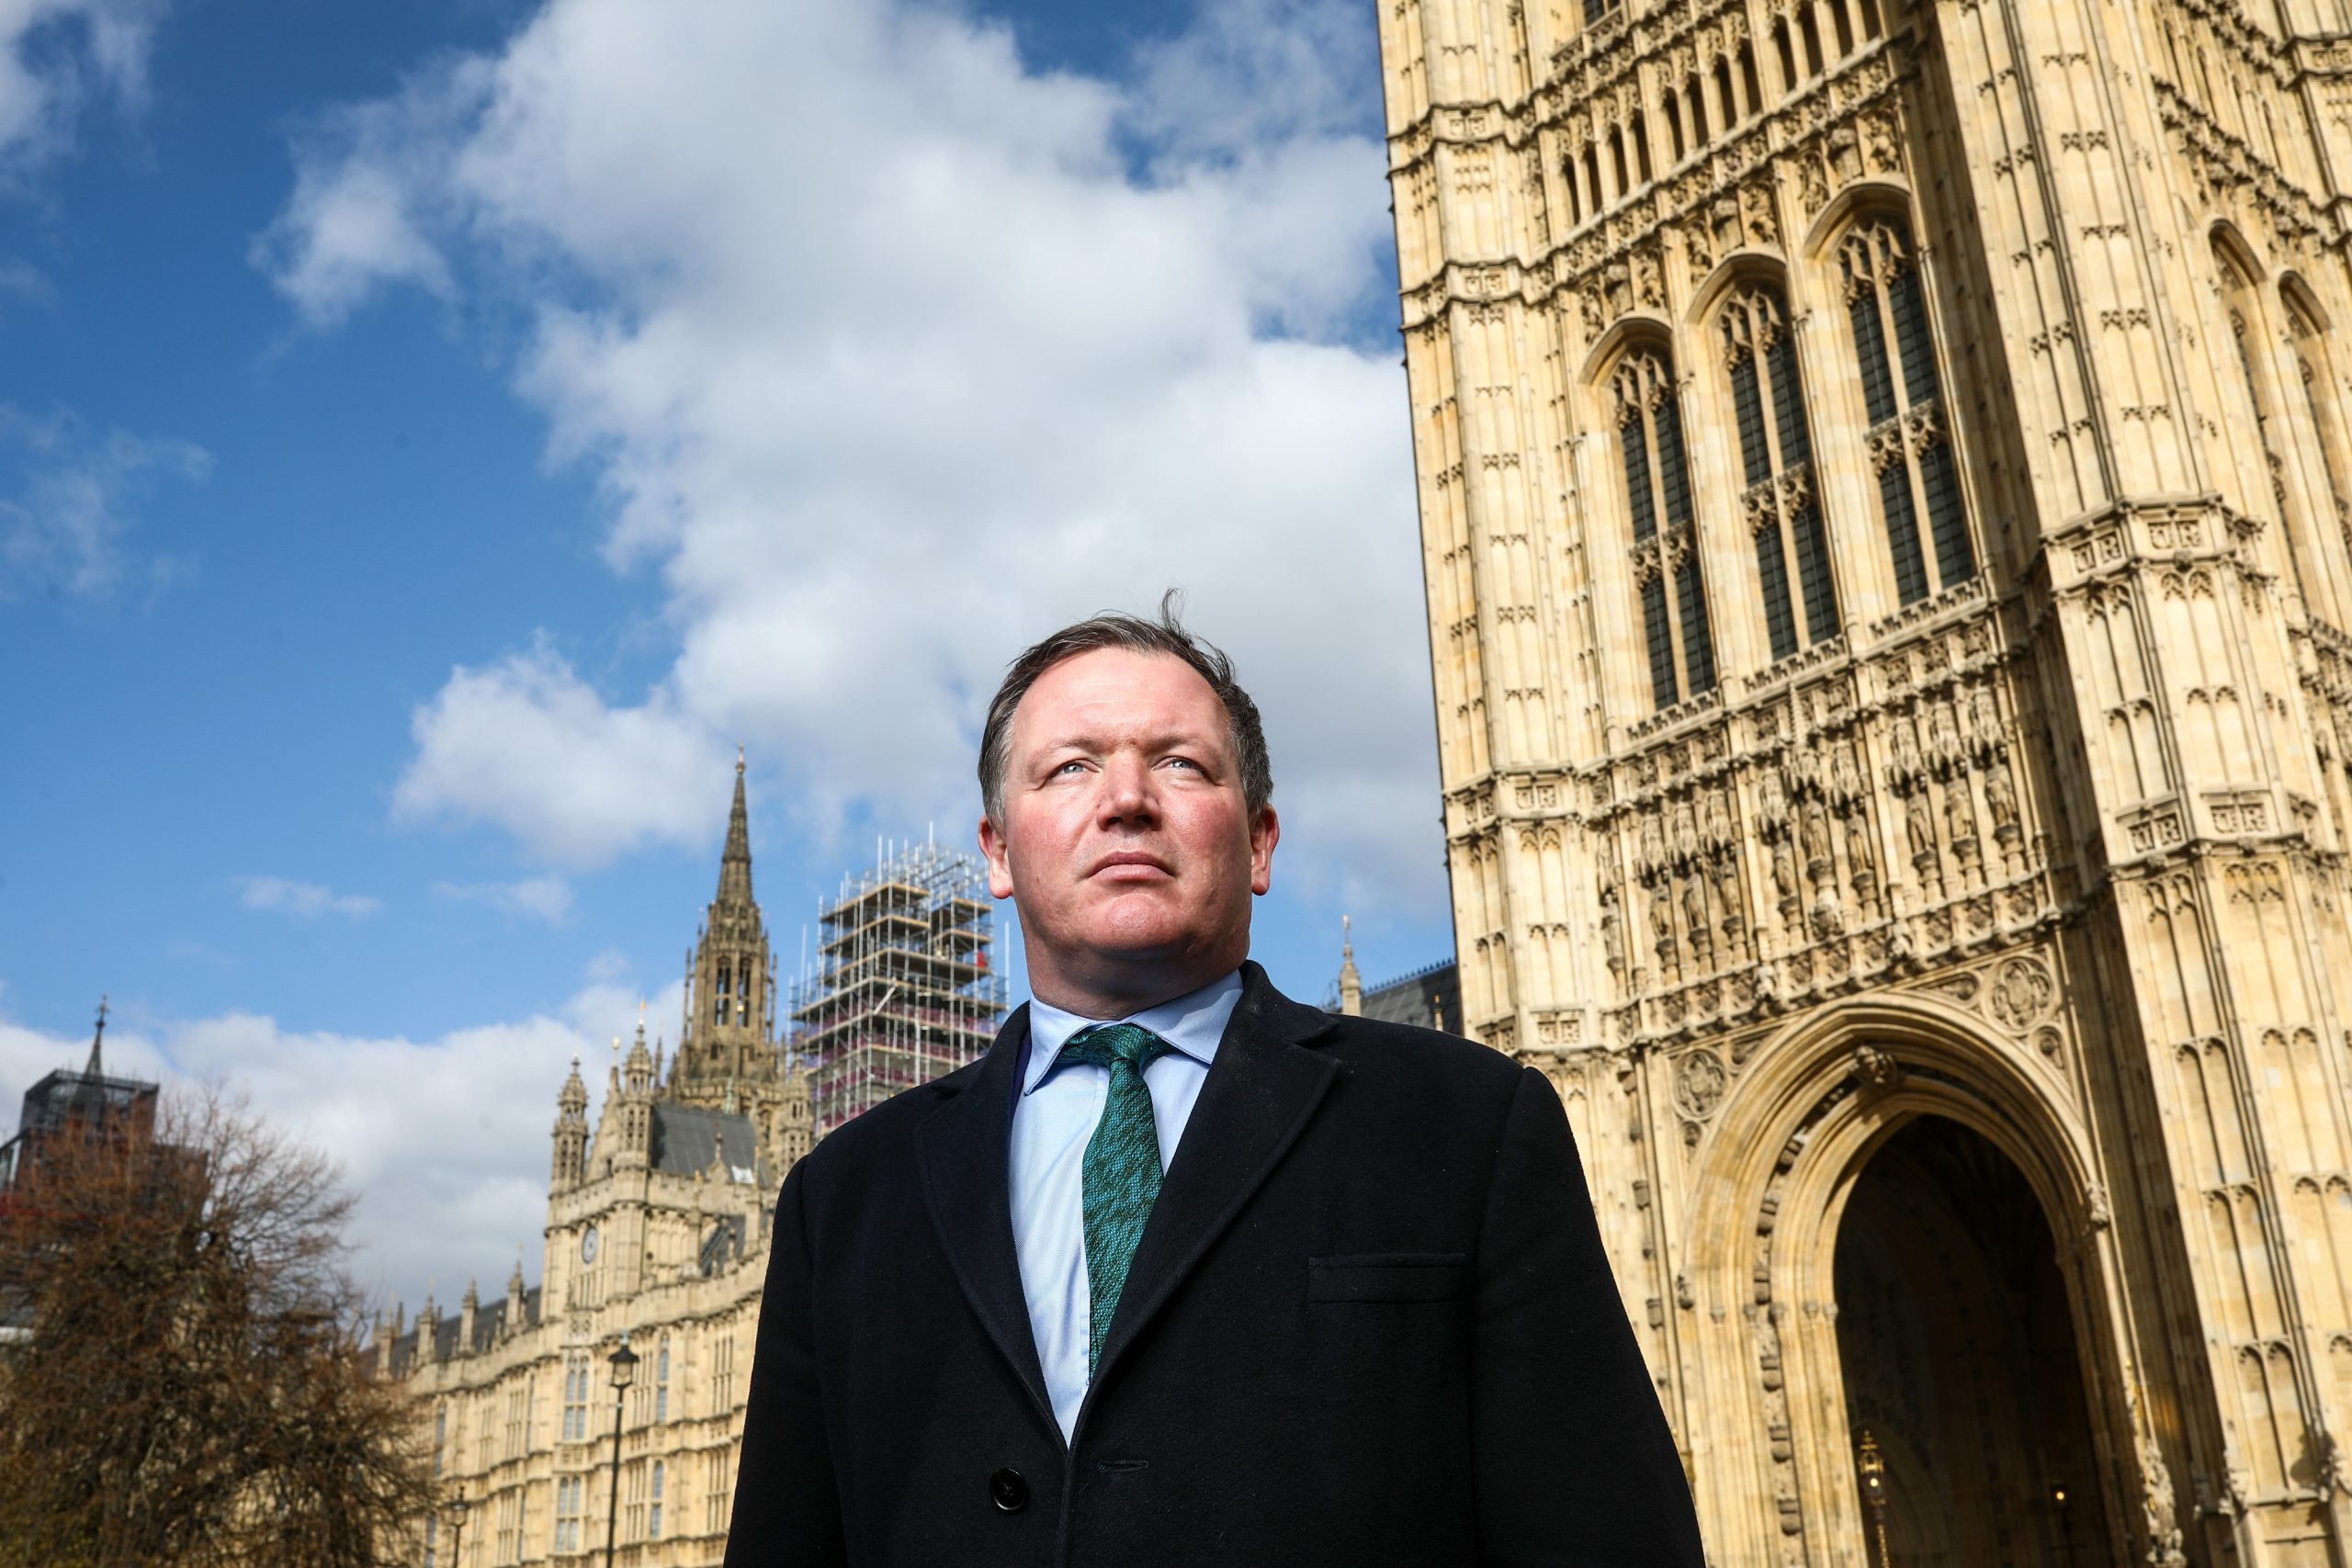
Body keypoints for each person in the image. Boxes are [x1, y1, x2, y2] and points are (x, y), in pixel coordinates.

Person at [725, 604, 1704, 1566]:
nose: (1125, 799)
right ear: (996, 853)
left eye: (1179, 763)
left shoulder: (1466, 1125)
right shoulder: (843, 1195)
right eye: (1070, 767)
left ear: (1261, 841)